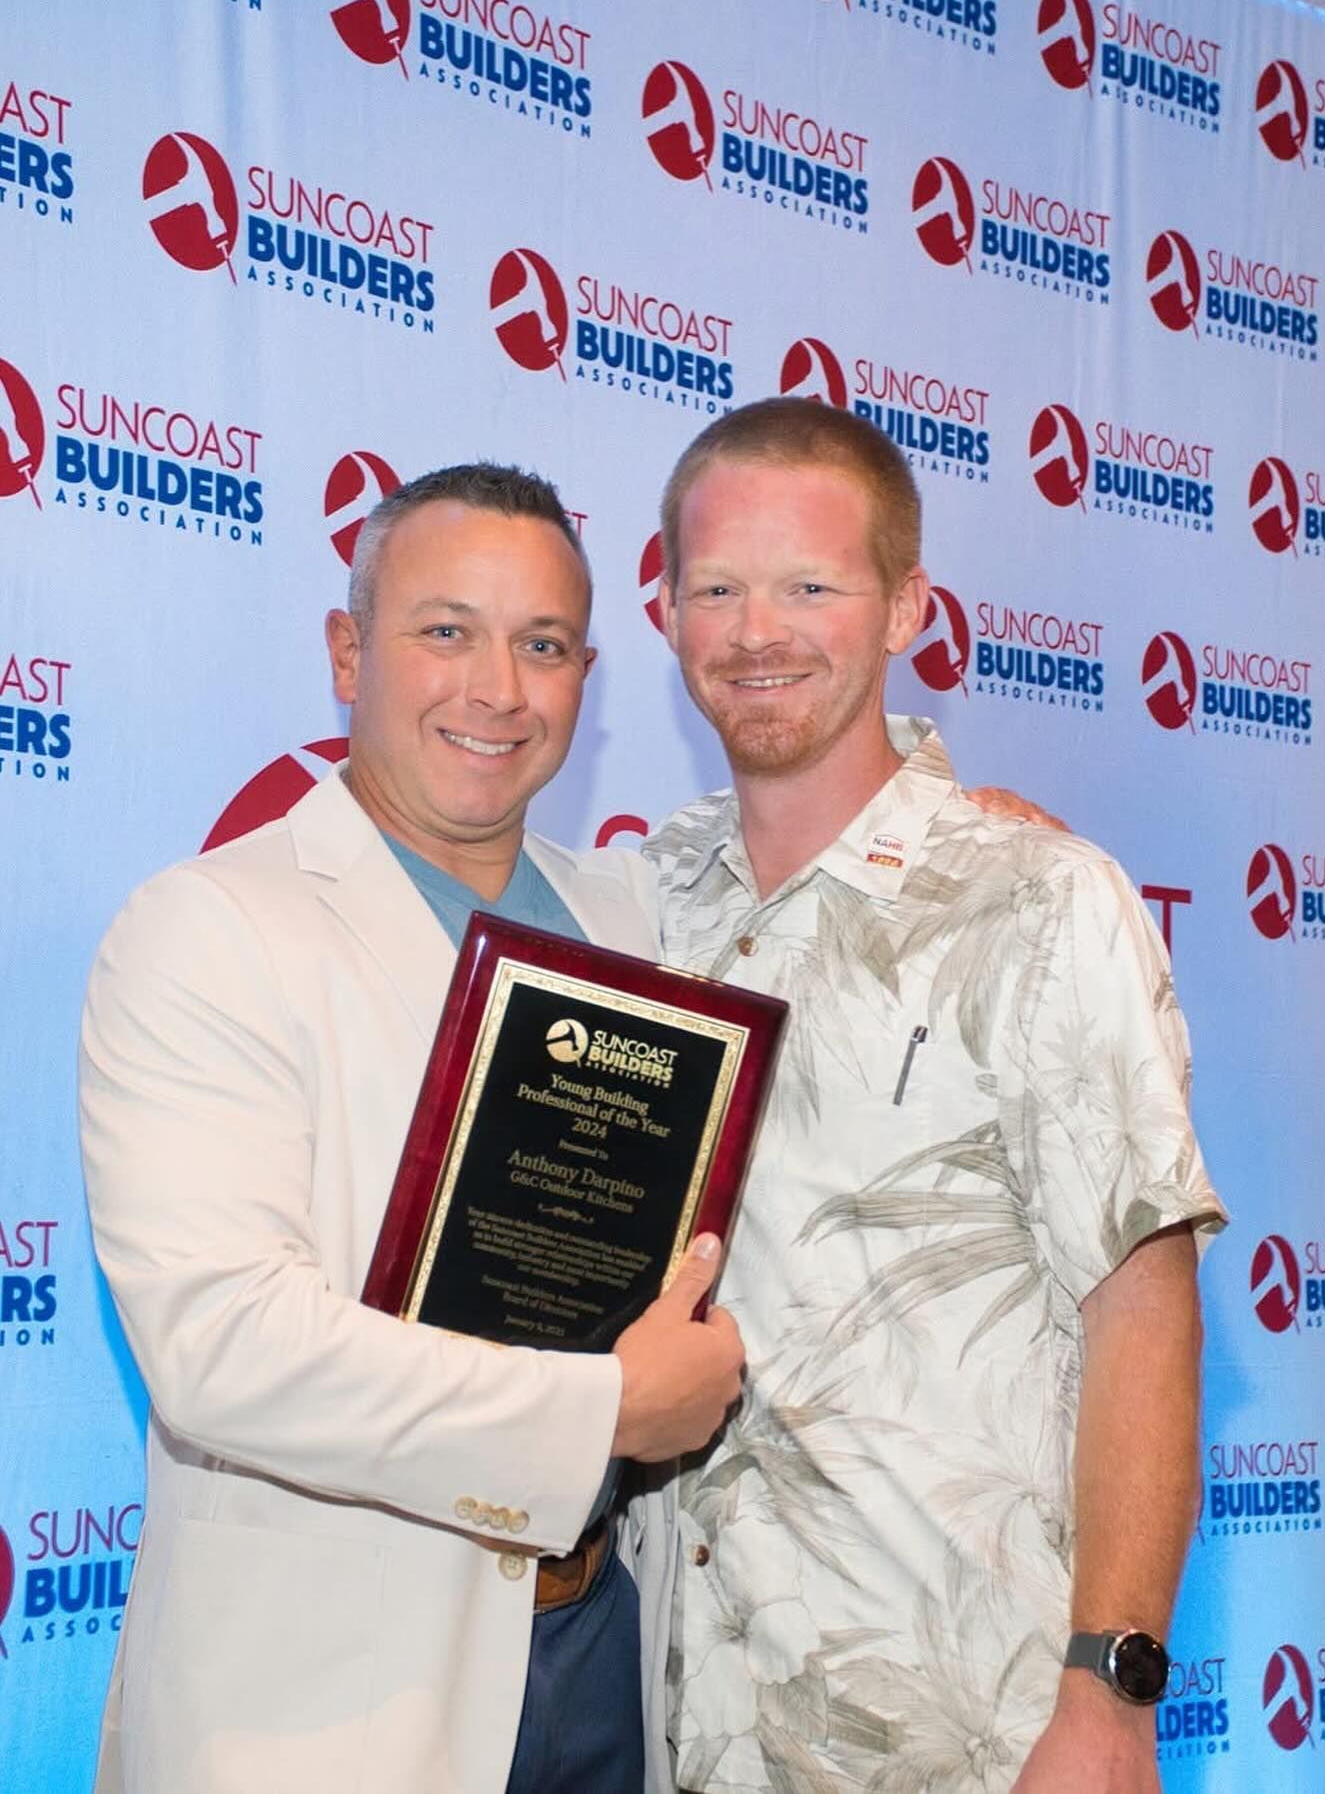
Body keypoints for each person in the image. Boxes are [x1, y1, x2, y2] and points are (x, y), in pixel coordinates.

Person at [77, 463, 745, 1794]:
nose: (497, 688)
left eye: (543, 645)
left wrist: (945, 810)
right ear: (346, 651)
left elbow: (790, 857)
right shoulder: (209, 930)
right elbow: (224, 1347)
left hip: (604, 1652)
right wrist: (608, 1409)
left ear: (588, 675)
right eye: (446, 631)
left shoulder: (627, 919)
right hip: (330, 1704)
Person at [643, 398, 1229, 1794]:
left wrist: (1113, 1697)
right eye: (718, 587)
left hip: (975, 1736)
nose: (756, 628)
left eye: (810, 585)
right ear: (665, 613)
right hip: (694, 1728)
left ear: (906, 604)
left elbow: (1143, 1313)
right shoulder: (639, 905)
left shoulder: (1039, 904)